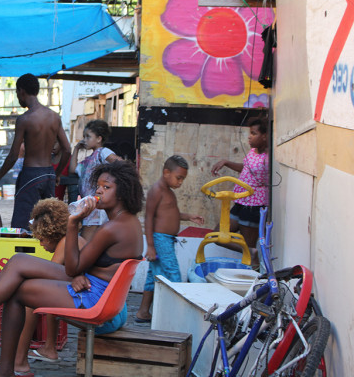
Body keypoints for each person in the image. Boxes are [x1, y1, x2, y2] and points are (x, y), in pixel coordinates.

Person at [0, 161, 144, 377]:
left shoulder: (112, 228)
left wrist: (73, 223)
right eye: (98, 186)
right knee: (19, 261)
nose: (99, 191)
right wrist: (77, 269)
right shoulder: (128, 222)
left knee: (18, 292)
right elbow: (81, 266)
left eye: (107, 187)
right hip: (98, 288)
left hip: (96, 297)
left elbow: (73, 266)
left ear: (122, 192)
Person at [13, 198, 87, 374]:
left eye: (42, 239)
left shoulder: (66, 242)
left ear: (53, 233)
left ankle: (19, 360)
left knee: (30, 299)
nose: (41, 244)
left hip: (89, 300)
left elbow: (44, 277)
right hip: (88, 295)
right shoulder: (73, 238)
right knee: (49, 291)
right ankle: (49, 348)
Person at [0, 73, 71, 230]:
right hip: (48, 175)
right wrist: (57, 174)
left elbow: (13, 155)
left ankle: (21, 254)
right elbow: (67, 149)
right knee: (48, 223)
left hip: (31, 175)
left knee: (22, 224)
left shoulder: (25, 119)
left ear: (21, 91)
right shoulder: (54, 117)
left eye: (16, 93)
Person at [135, 155, 204, 323]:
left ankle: (143, 312)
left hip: (165, 239)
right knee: (173, 274)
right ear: (166, 172)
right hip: (160, 240)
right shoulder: (156, 191)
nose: (180, 182)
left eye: (183, 179)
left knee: (152, 276)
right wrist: (150, 246)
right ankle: (179, 316)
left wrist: (188, 216)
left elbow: (170, 214)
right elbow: (149, 217)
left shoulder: (168, 192)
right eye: (178, 178)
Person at [210, 117, 269, 264]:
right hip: (241, 201)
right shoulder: (253, 151)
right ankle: (251, 252)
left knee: (248, 251)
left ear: (265, 136)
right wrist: (226, 162)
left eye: (254, 133)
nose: (249, 136)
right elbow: (246, 168)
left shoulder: (268, 159)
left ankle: (252, 266)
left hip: (254, 206)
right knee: (217, 236)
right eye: (250, 133)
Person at [69, 119, 123, 241]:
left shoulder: (102, 152)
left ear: (99, 139)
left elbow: (120, 163)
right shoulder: (89, 160)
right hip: (89, 205)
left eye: (88, 137)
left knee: (85, 241)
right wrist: (77, 149)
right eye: (84, 137)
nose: (85, 140)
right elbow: (73, 169)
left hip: (97, 205)